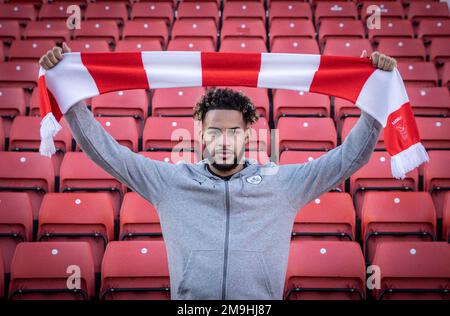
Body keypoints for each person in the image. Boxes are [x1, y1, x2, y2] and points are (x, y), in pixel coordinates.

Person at [39, 44, 396, 300]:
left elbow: (351, 157)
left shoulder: (282, 184)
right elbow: (109, 154)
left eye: (233, 131)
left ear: (248, 134)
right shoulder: (171, 183)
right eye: (214, 131)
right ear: (199, 134)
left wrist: (375, 94)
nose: (223, 140)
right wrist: (70, 97)